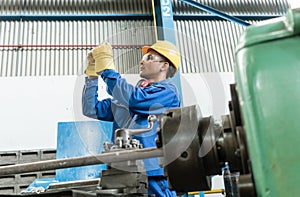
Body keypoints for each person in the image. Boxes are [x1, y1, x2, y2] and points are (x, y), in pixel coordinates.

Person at [82, 40, 181, 196]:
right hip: (123, 172)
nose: (142, 61)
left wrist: (107, 70)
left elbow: (135, 100)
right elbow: (91, 109)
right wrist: (92, 78)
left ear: (164, 66)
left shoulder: (167, 92)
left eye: (149, 58)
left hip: (152, 174)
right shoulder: (128, 97)